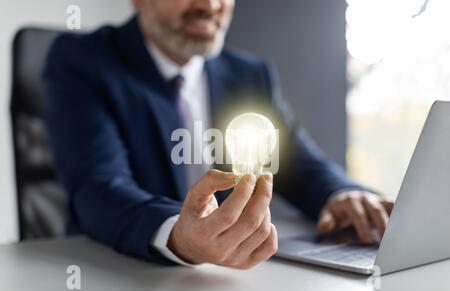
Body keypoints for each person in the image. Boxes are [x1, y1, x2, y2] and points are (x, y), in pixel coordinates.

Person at [43, 0, 393, 269]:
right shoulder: (82, 62)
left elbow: (297, 160)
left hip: (229, 279)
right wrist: (178, 235)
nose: (210, 5)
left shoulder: (249, 73)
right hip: (117, 271)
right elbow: (98, 186)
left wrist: (341, 193)